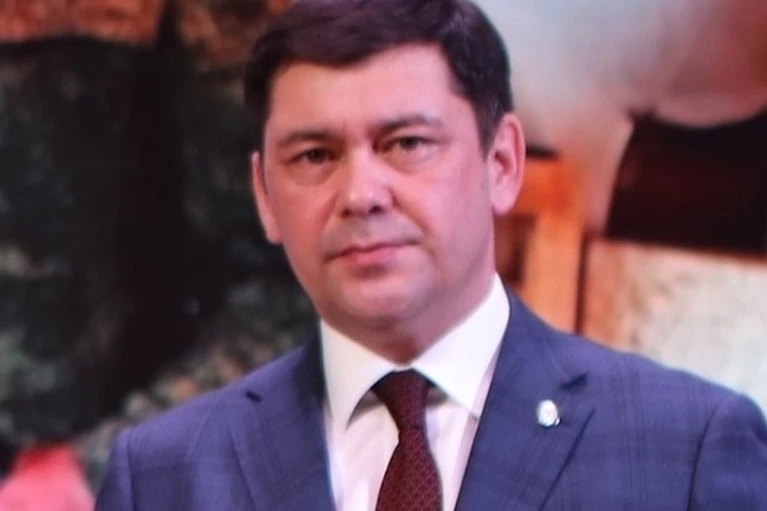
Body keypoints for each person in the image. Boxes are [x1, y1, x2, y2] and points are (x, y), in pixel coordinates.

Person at [95, 0, 767, 509]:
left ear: (502, 163)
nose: (360, 194)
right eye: (315, 155)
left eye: (407, 144)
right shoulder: (162, 476)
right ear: (265, 196)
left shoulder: (686, 450)